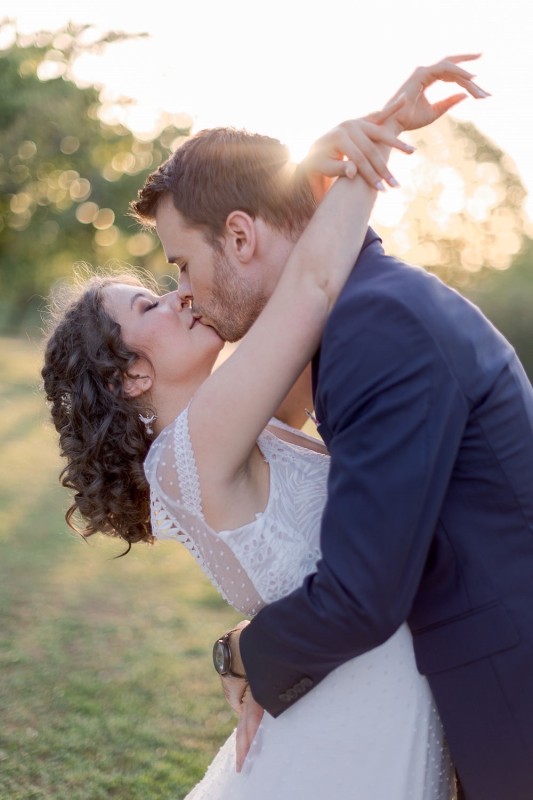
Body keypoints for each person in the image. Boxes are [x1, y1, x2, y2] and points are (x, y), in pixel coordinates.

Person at [42, 75, 461, 799]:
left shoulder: (237, 426)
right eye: (152, 299)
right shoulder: (197, 445)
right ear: (130, 378)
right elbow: (308, 290)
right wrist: (365, 148)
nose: (179, 293)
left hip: (355, 694)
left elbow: (291, 293)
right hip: (354, 715)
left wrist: (299, 184)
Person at [130, 55, 533, 800]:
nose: (182, 292)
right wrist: (337, 162)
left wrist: (241, 653)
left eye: (182, 264)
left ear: (241, 237)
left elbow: (360, 595)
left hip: (510, 697)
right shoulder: (356, 319)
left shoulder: (376, 328)